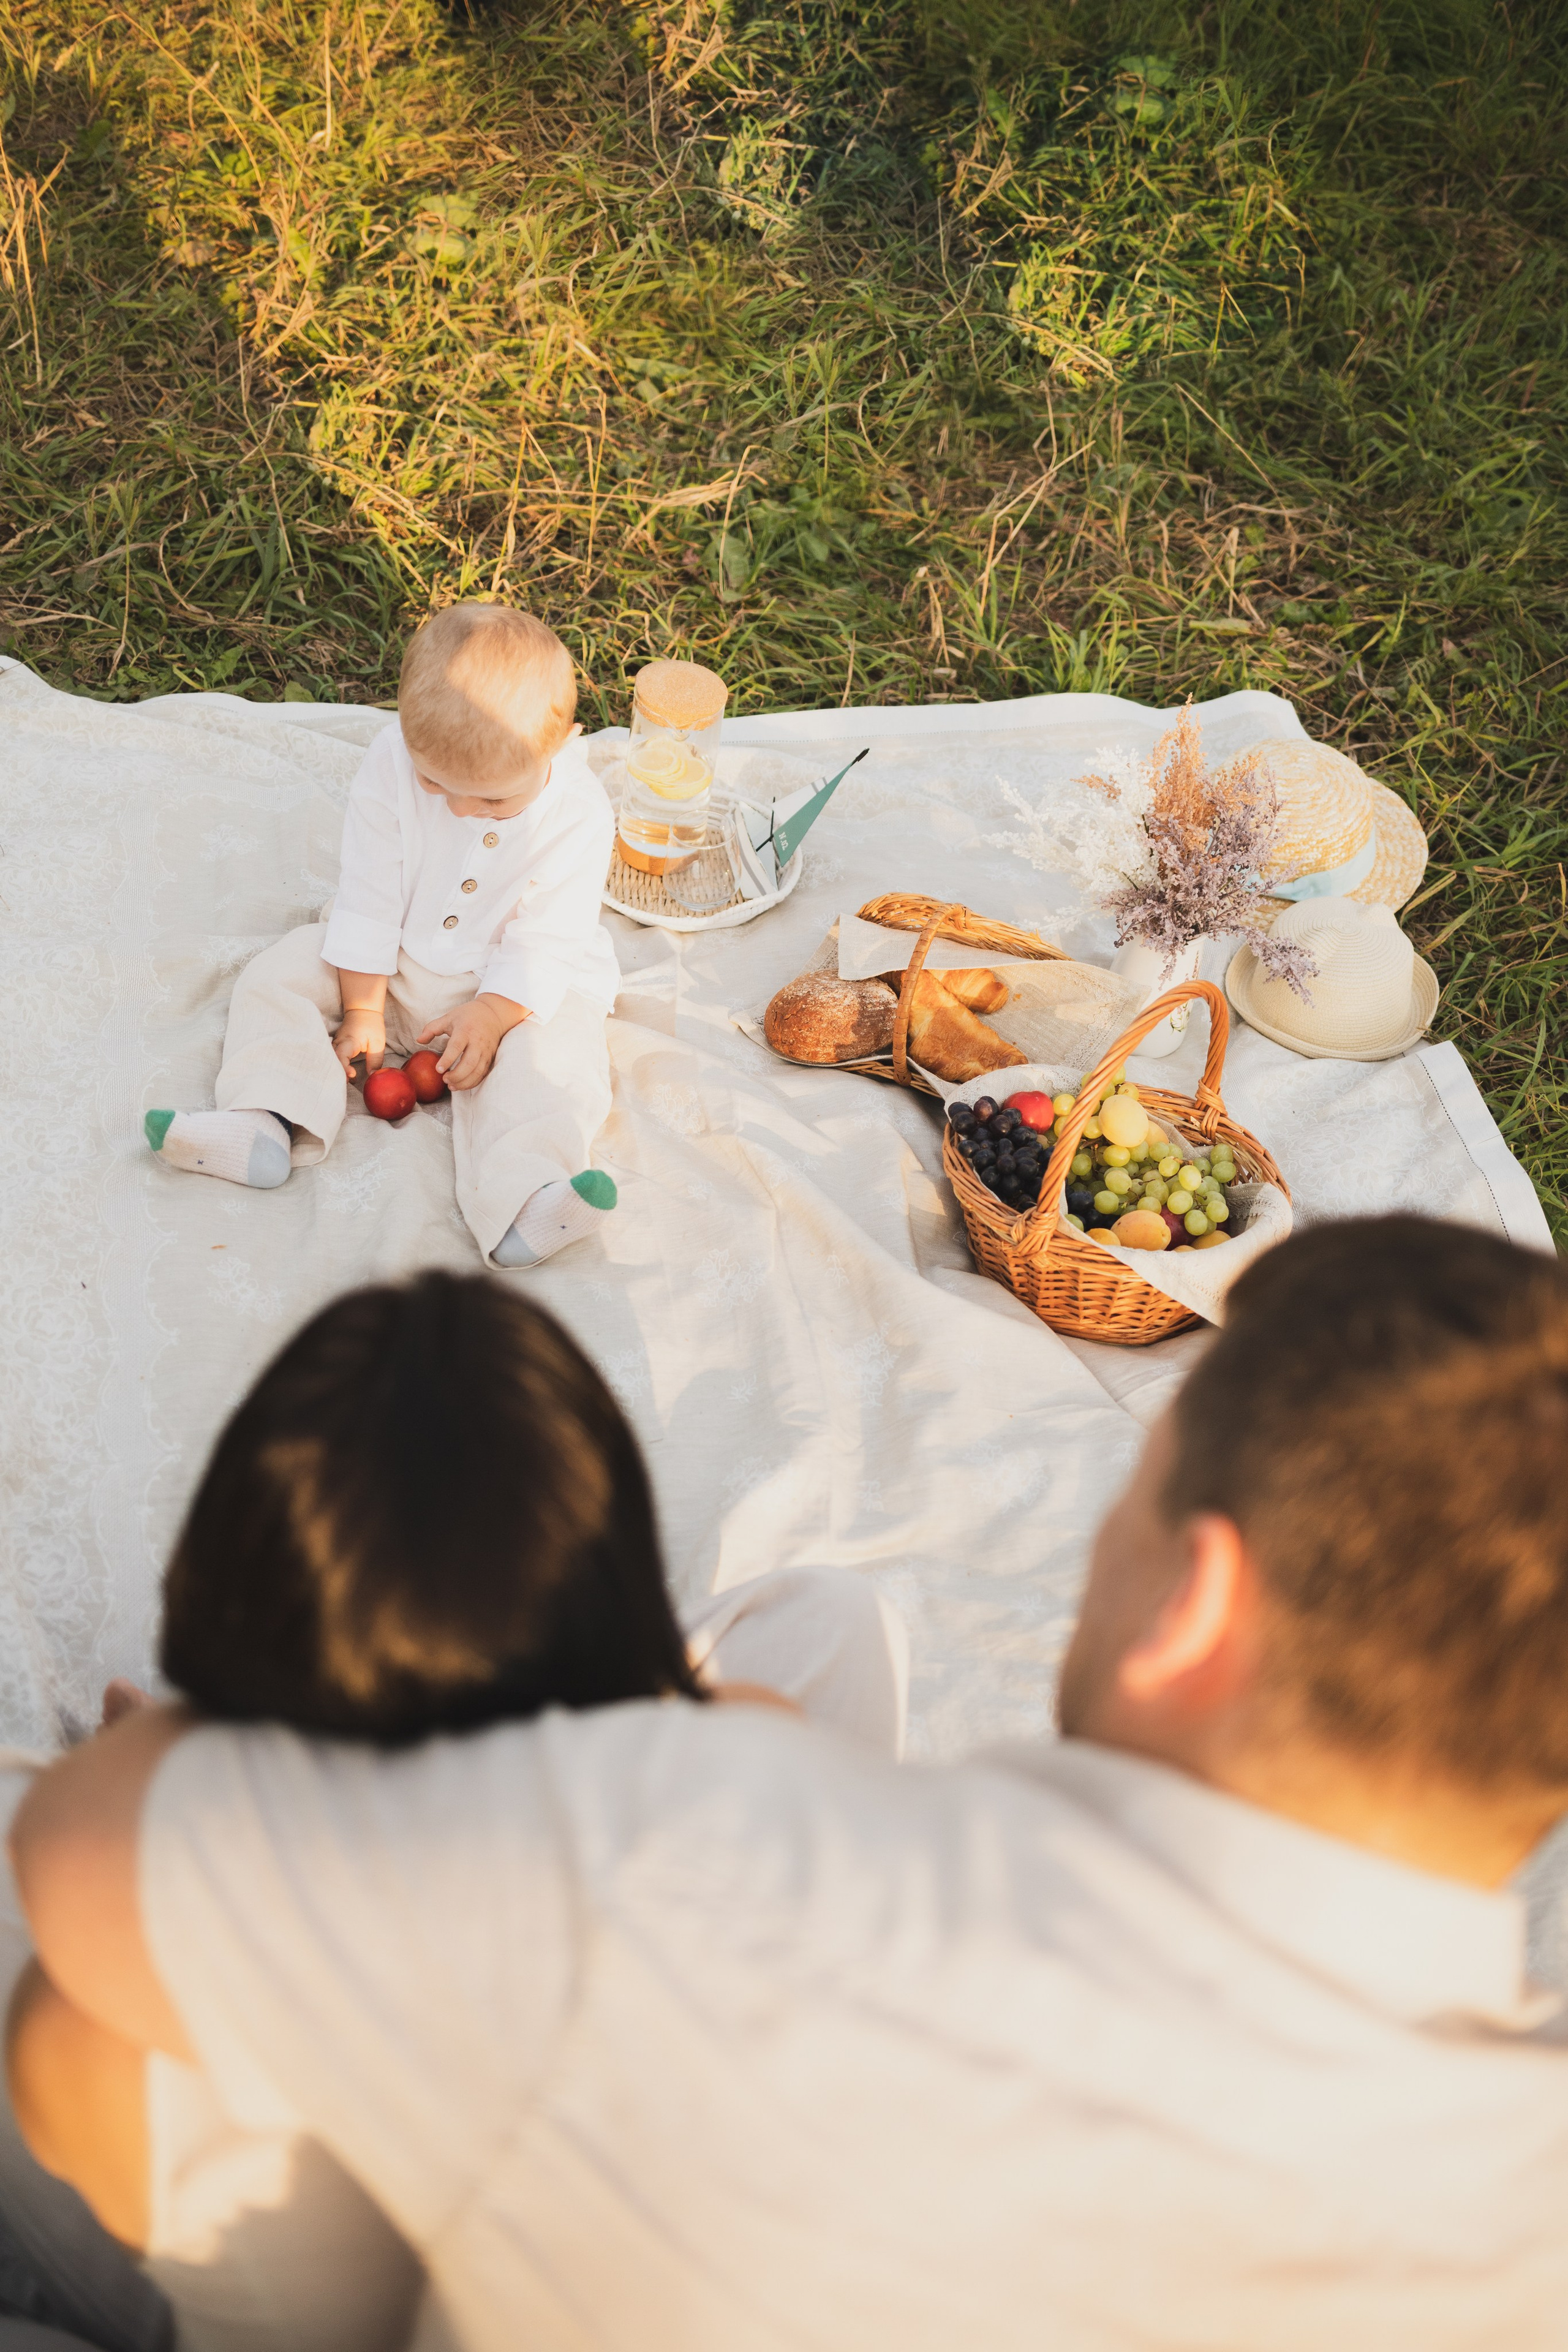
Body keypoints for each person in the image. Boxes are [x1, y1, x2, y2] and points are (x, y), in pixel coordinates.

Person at [12, 1215, 1568, 2350]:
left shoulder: (692, 1856)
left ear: (1194, 1606)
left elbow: (81, 1849)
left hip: (397, 2188)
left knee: (62, 2003)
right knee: (823, 1624)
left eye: (1134, 1490)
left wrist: (168, 1743)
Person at [0, 1275, 907, 2352]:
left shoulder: (96, 2022)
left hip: (334, 2312)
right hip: (632, 2217)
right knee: (833, 1623)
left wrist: (178, 1767)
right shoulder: (737, 1782)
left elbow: (63, 1856)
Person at [143, 603, 622, 1268]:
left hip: (512, 986)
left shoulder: (580, 814)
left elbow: (549, 937)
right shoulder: (391, 761)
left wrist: (493, 1013)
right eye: (435, 783)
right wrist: (363, 1006)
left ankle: (527, 1190)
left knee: (555, 1063)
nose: (461, 809)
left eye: (492, 801)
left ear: (563, 743)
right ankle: (265, 1115)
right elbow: (370, 889)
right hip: (391, 958)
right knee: (279, 978)